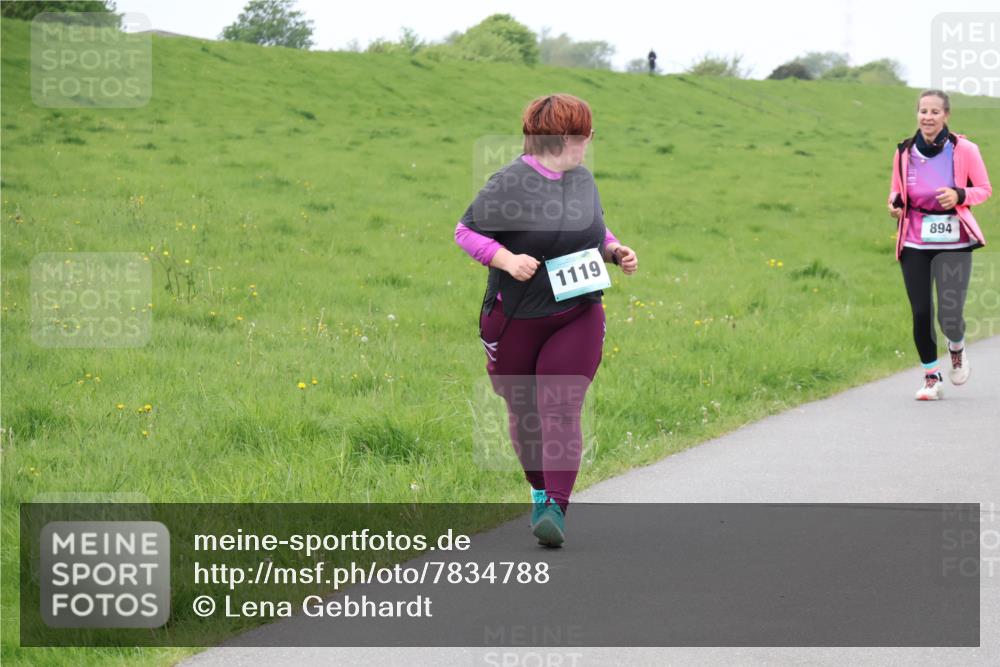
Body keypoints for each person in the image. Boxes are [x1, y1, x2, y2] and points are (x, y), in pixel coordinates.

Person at [454, 93, 638, 546]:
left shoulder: (582, 179)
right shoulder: (511, 181)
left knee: (560, 405)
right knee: (523, 409)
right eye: (584, 134)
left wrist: (614, 251)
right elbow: (466, 231)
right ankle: (539, 489)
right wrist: (505, 259)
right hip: (515, 316)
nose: (589, 141)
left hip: (578, 310)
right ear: (562, 138)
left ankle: (555, 506)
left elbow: (595, 228)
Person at [887, 89, 991, 400]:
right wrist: (894, 204)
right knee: (921, 311)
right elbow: (896, 191)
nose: (927, 117)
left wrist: (960, 194)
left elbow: (984, 190)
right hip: (915, 239)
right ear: (916, 114)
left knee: (949, 314)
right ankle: (931, 377)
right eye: (923, 111)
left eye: (934, 112)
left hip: (954, 239)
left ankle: (956, 347)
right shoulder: (904, 151)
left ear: (946, 115)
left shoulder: (965, 149)